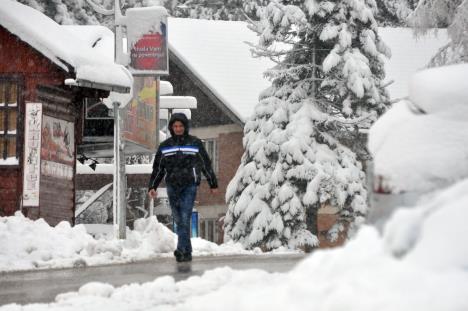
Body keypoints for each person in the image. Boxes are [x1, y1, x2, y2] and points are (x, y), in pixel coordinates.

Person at [148, 113, 218, 262]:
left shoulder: (195, 143)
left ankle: (180, 249)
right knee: (179, 219)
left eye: (180, 126)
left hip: (189, 185)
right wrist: (152, 186)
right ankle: (187, 249)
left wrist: (212, 183)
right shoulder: (165, 146)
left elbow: (205, 164)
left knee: (185, 217)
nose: (178, 128)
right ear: (171, 128)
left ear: (185, 127)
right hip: (172, 186)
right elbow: (158, 169)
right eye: (175, 126)